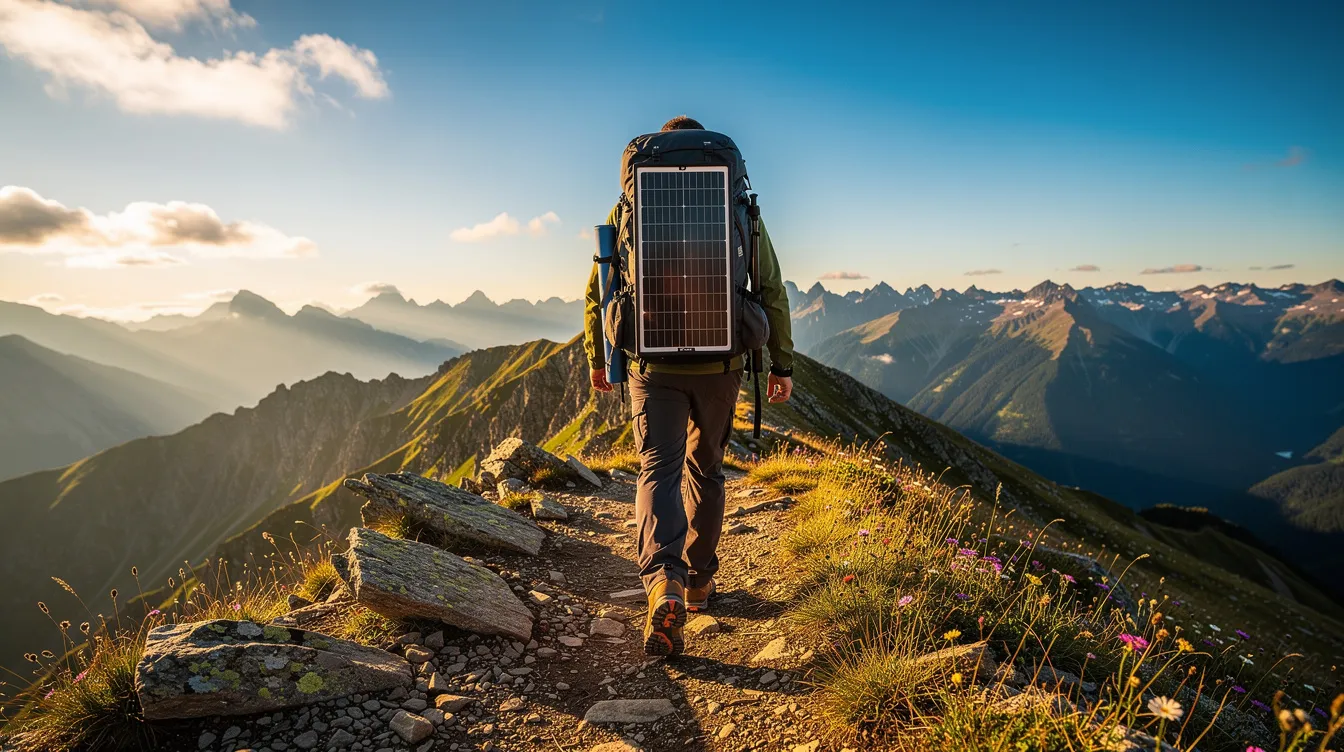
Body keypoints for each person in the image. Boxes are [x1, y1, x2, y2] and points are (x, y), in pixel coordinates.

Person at [582, 115, 796, 656]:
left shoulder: (629, 206)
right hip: (721, 363)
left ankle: (664, 584)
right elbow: (771, 285)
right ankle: (699, 583)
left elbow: (599, 287)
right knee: (707, 469)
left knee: (659, 468)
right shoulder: (737, 204)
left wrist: (597, 355)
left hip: (652, 366)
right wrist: (782, 365)